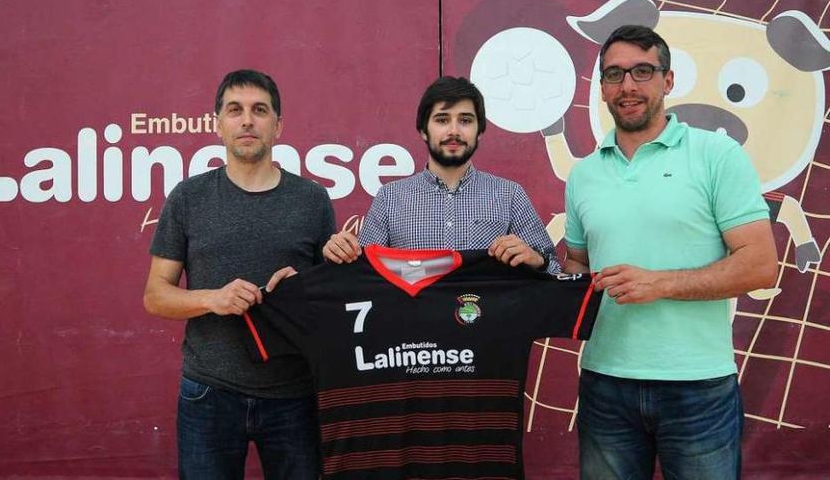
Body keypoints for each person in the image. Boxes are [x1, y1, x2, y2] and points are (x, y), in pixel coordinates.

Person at [563, 25, 778, 480]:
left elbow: (760, 265)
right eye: (614, 74)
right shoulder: (583, 175)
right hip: (604, 383)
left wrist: (659, 283)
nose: (628, 86)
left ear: (668, 80)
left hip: (698, 386)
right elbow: (578, 263)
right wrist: (544, 280)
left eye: (642, 71)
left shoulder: (717, 155)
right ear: (601, 88)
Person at [143, 69, 334, 479]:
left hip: (294, 395)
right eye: (235, 110)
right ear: (217, 124)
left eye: (259, 110)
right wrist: (213, 298)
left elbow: (330, 304)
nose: (247, 120)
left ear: (278, 125)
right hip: (208, 393)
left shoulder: (313, 201)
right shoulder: (187, 197)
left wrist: (299, 294)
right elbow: (155, 295)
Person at [323, 76, 559, 272]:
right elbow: (361, 274)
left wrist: (537, 260)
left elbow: (555, 272)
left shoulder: (509, 195)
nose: (454, 131)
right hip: (413, 328)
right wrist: (339, 255)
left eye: (465, 120)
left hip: (490, 328)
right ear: (423, 131)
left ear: (480, 132)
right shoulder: (390, 199)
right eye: (442, 120)